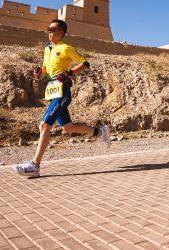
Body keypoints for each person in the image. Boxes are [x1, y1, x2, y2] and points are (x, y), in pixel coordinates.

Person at [15, 19, 110, 177]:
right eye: (48, 29)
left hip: (62, 91)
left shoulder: (67, 48)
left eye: (53, 29)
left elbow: (85, 63)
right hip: (53, 90)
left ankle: (34, 165)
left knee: (44, 125)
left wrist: (69, 73)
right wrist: (39, 73)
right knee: (68, 128)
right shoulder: (48, 49)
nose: (49, 32)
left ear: (62, 32)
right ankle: (99, 131)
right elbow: (46, 69)